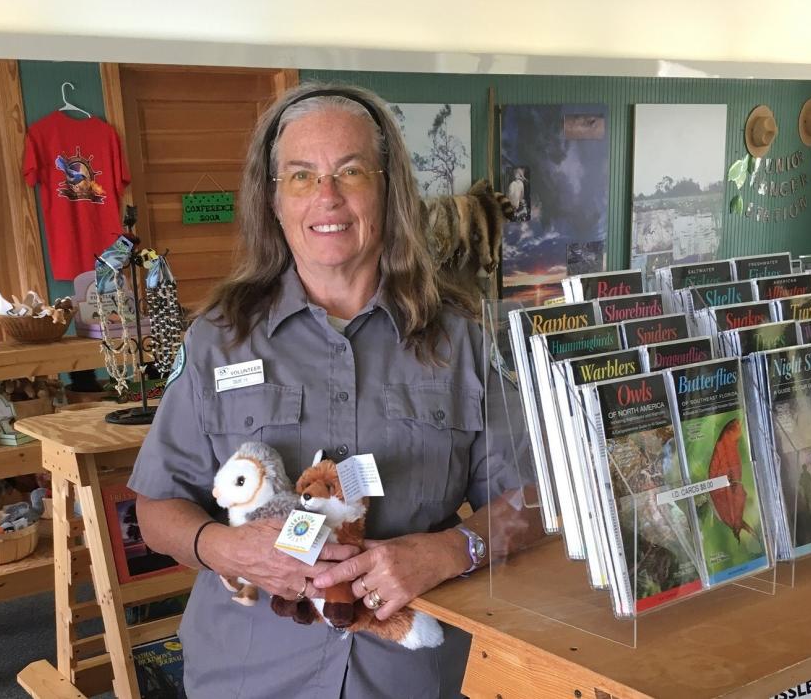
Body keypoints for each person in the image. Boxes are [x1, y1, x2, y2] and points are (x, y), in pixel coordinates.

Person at [129, 82, 531, 698]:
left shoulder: (462, 339)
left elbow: (534, 501)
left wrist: (452, 550)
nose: (327, 197)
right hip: (248, 674)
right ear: (273, 199)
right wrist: (230, 550)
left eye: (350, 171)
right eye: (300, 176)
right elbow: (157, 510)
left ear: (388, 188)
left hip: (411, 672)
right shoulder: (218, 338)